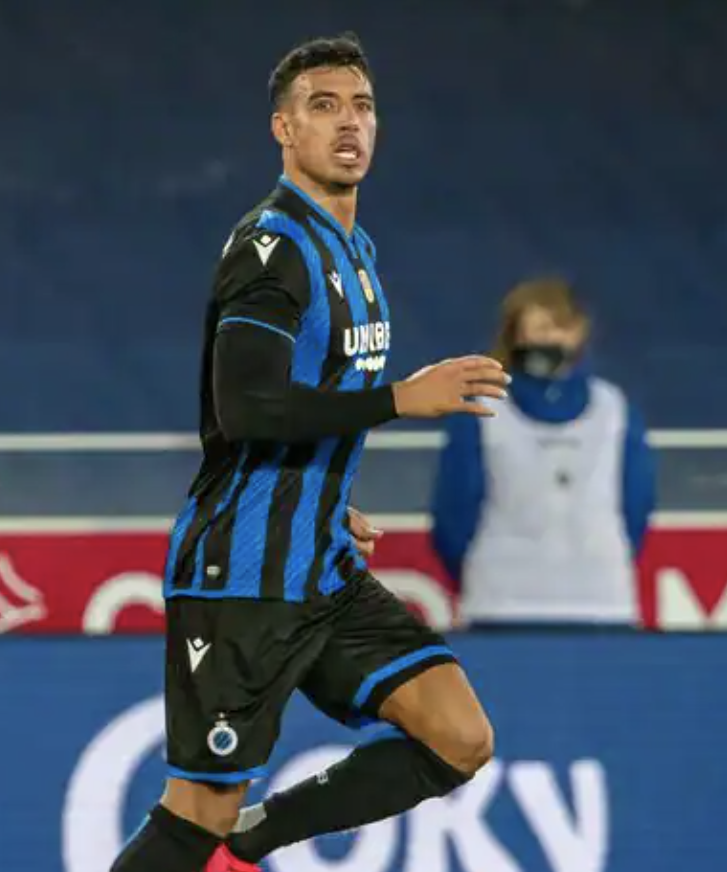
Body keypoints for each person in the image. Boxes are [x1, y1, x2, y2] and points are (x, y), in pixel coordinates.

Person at [109, 33, 510, 872]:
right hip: (243, 572)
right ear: (283, 130)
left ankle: (254, 838)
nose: (348, 123)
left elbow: (299, 406)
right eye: (323, 107)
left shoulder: (354, 249)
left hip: (320, 564)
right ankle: (224, 834)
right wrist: (401, 398)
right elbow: (246, 406)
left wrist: (322, 491)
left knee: (459, 734)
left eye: (361, 106)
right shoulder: (273, 249)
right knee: (194, 814)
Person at [431, 277, 656, 630]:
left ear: (579, 332)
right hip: (500, 606)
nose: (547, 340)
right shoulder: (478, 409)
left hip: (602, 605)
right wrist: (481, 575)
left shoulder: (614, 407)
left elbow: (636, 503)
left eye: (558, 328)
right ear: (515, 336)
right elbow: (454, 512)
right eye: (536, 330)